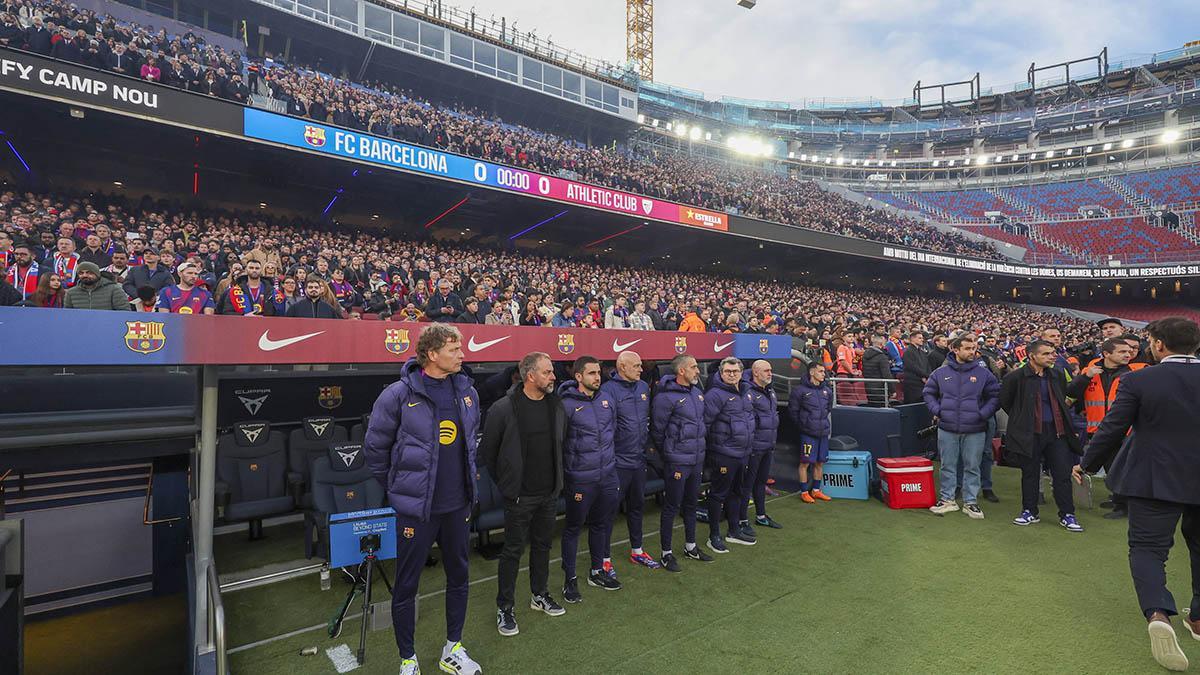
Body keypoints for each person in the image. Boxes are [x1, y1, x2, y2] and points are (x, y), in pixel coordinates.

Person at [1074, 317, 1200, 672]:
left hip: (1153, 477)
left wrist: (1086, 463)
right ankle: (1199, 620)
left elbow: (1113, 428)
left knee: (1147, 548)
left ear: (1158, 344)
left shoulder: (1139, 379)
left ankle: (1158, 612)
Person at [363, 324, 483, 675]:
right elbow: (375, 450)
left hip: (458, 505)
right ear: (432, 354)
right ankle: (408, 659)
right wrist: (400, 488)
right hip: (417, 510)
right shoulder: (397, 394)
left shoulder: (468, 391)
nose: (462, 354)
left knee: (459, 576)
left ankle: (453, 649)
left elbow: (471, 443)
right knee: (407, 584)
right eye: (454, 349)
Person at [480, 352, 567, 637]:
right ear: (530, 376)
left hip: (548, 493)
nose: (553, 376)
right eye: (547, 372)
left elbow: (560, 444)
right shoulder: (503, 408)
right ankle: (505, 606)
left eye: (552, 372)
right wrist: (509, 485)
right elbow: (489, 455)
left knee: (543, 546)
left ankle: (539, 594)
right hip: (519, 497)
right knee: (512, 552)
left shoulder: (556, 405)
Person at [1001, 339, 1083, 532]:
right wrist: (1023, 420)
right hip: (1029, 433)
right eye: (1046, 353)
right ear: (1032, 356)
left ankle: (1067, 514)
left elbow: (1061, 399)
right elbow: (1007, 402)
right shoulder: (1016, 377)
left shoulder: (1056, 375)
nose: (1052, 356)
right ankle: (1029, 511)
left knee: (1062, 474)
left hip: (1057, 433)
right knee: (1029, 473)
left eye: (1052, 352)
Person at [557, 356, 621, 603]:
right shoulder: (565, 404)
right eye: (592, 373)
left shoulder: (606, 399)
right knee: (573, 528)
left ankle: (597, 571)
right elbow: (559, 443)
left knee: (601, 524)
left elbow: (611, 431)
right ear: (579, 376)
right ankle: (569, 579)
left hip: (607, 475)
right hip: (580, 479)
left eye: (599, 372)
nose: (598, 377)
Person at [1066, 337, 1146, 520]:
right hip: (1099, 430)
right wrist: (1086, 377)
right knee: (1112, 469)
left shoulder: (1137, 371)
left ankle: (1123, 505)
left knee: (1122, 469)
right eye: (1122, 352)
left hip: (1127, 431)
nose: (1128, 354)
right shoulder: (1090, 371)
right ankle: (1119, 501)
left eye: (1130, 351)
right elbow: (1071, 393)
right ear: (1107, 354)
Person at [924, 335, 1000, 519]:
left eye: (973, 348)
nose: (972, 352)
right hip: (947, 427)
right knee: (948, 465)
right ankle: (947, 500)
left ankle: (970, 502)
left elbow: (995, 396)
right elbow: (928, 392)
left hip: (975, 428)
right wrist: (938, 410)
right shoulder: (940, 373)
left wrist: (982, 414)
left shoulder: (984, 373)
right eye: (967, 348)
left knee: (972, 466)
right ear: (955, 350)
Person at [651, 354, 713, 572]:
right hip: (677, 461)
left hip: (696, 459)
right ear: (681, 371)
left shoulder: (697, 394)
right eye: (694, 367)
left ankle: (690, 545)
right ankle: (666, 553)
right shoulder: (665, 398)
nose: (698, 371)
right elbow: (658, 432)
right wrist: (670, 453)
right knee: (671, 506)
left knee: (691, 504)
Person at [600, 351, 659, 569]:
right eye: (636, 366)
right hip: (617, 463)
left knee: (637, 506)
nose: (641, 369)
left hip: (639, 460)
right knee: (609, 512)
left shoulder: (643, 387)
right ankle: (604, 559)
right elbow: (605, 428)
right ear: (622, 367)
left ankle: (637, 550)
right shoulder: (607, 390)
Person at [703, 356, 757, 551]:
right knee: (718, 494)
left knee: (737, 492)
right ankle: (714, 535)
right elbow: (705, 424)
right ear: (721, 373)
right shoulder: (714, 395)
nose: (732, 375)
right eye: (728, 371)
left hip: (743, 452)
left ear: (741, 373)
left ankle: (733, 530)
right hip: (723, 454)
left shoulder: (746, 391)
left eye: (735, 371)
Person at [741, 360, 781, 531]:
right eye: (766, 370)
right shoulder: (748, 392)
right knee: (747, 484)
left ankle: (761, 515)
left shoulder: (770, 391)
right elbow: (747, 421)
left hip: (768, 444)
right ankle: (742, 520)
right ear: (756, 373)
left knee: (761, 482)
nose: (770, 373)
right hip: (753, 447)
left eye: (771, 370)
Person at [789, 361, 834, 503]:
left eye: (824, 371)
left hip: (823, 432)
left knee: (820, 462)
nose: (824, 374)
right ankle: (803, 491)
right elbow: (793, 411)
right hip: (808, 433)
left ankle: (816, 490)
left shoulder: (827, 390)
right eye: (821, 371)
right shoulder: (799, 391)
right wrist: (804, 425)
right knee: (805, 462)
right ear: (812, 372)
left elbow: (828, 408)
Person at [861, 333, 894, 406]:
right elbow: (887, 375)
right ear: (882, 344)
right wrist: (893, 390)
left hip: (869, 388)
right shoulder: (882, 357)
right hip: (881, 390)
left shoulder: (865, 355)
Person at [902, 331, 934, 404]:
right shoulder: (908, 351)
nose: (922, 340)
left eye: (922, 338)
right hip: (912, 384)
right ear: (913, 339)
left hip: (923, 383)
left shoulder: (922, 352)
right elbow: (912, 367)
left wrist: (928, 376)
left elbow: (927, 365)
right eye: (919, 338)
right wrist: (924, 376)